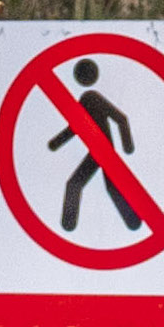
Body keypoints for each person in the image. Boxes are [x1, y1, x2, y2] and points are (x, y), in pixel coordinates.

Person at [46, 59, 141, 232]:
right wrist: (55, 143)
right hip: (99, 153)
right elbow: (75, 127)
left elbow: (120, 119)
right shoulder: (86, 100)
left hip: (104, 152)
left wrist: (127, 145)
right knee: (86, 185)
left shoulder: (91, 98)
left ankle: (134, 219)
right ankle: (133, 220)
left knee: (85, 184)